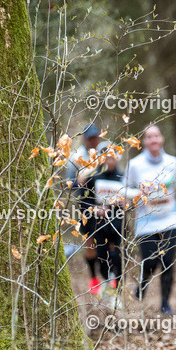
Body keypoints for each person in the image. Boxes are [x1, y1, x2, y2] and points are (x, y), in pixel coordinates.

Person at [125, 124, 176, 316]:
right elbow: (124, 191)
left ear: (161, 139)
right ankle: (143, 283)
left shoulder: (172, 161)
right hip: (146, 221)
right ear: (144, 142)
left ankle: (165, 304)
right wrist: (138, 192)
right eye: (149, 137)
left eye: (156, 136)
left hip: (170, 218)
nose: (153, 140)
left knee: (168, 261)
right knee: (150, 260)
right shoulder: (135, 165)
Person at [78, 143, 127, 295]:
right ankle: (104, 281)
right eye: (106, 158)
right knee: (101, 254)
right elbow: (83, 200)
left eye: (112, 158)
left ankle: (117, 287)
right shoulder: (92, 177)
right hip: (98, 224)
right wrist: (95, 208)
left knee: (117, 255)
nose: (109, 161)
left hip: (118, 223)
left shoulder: (122, 177)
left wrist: (125, 204)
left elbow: (130, 198)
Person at [67, 124, 109, 295]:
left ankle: (108, 278)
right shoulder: (75, 158)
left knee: (105, 241)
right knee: (89, 241)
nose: (93, 140)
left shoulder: (105, 152)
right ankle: (93, 278)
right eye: (90, 137)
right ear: (84, 138)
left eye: (96, 137)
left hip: (104, 204)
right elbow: (68, 184)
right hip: (85, 203)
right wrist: (79, 183)